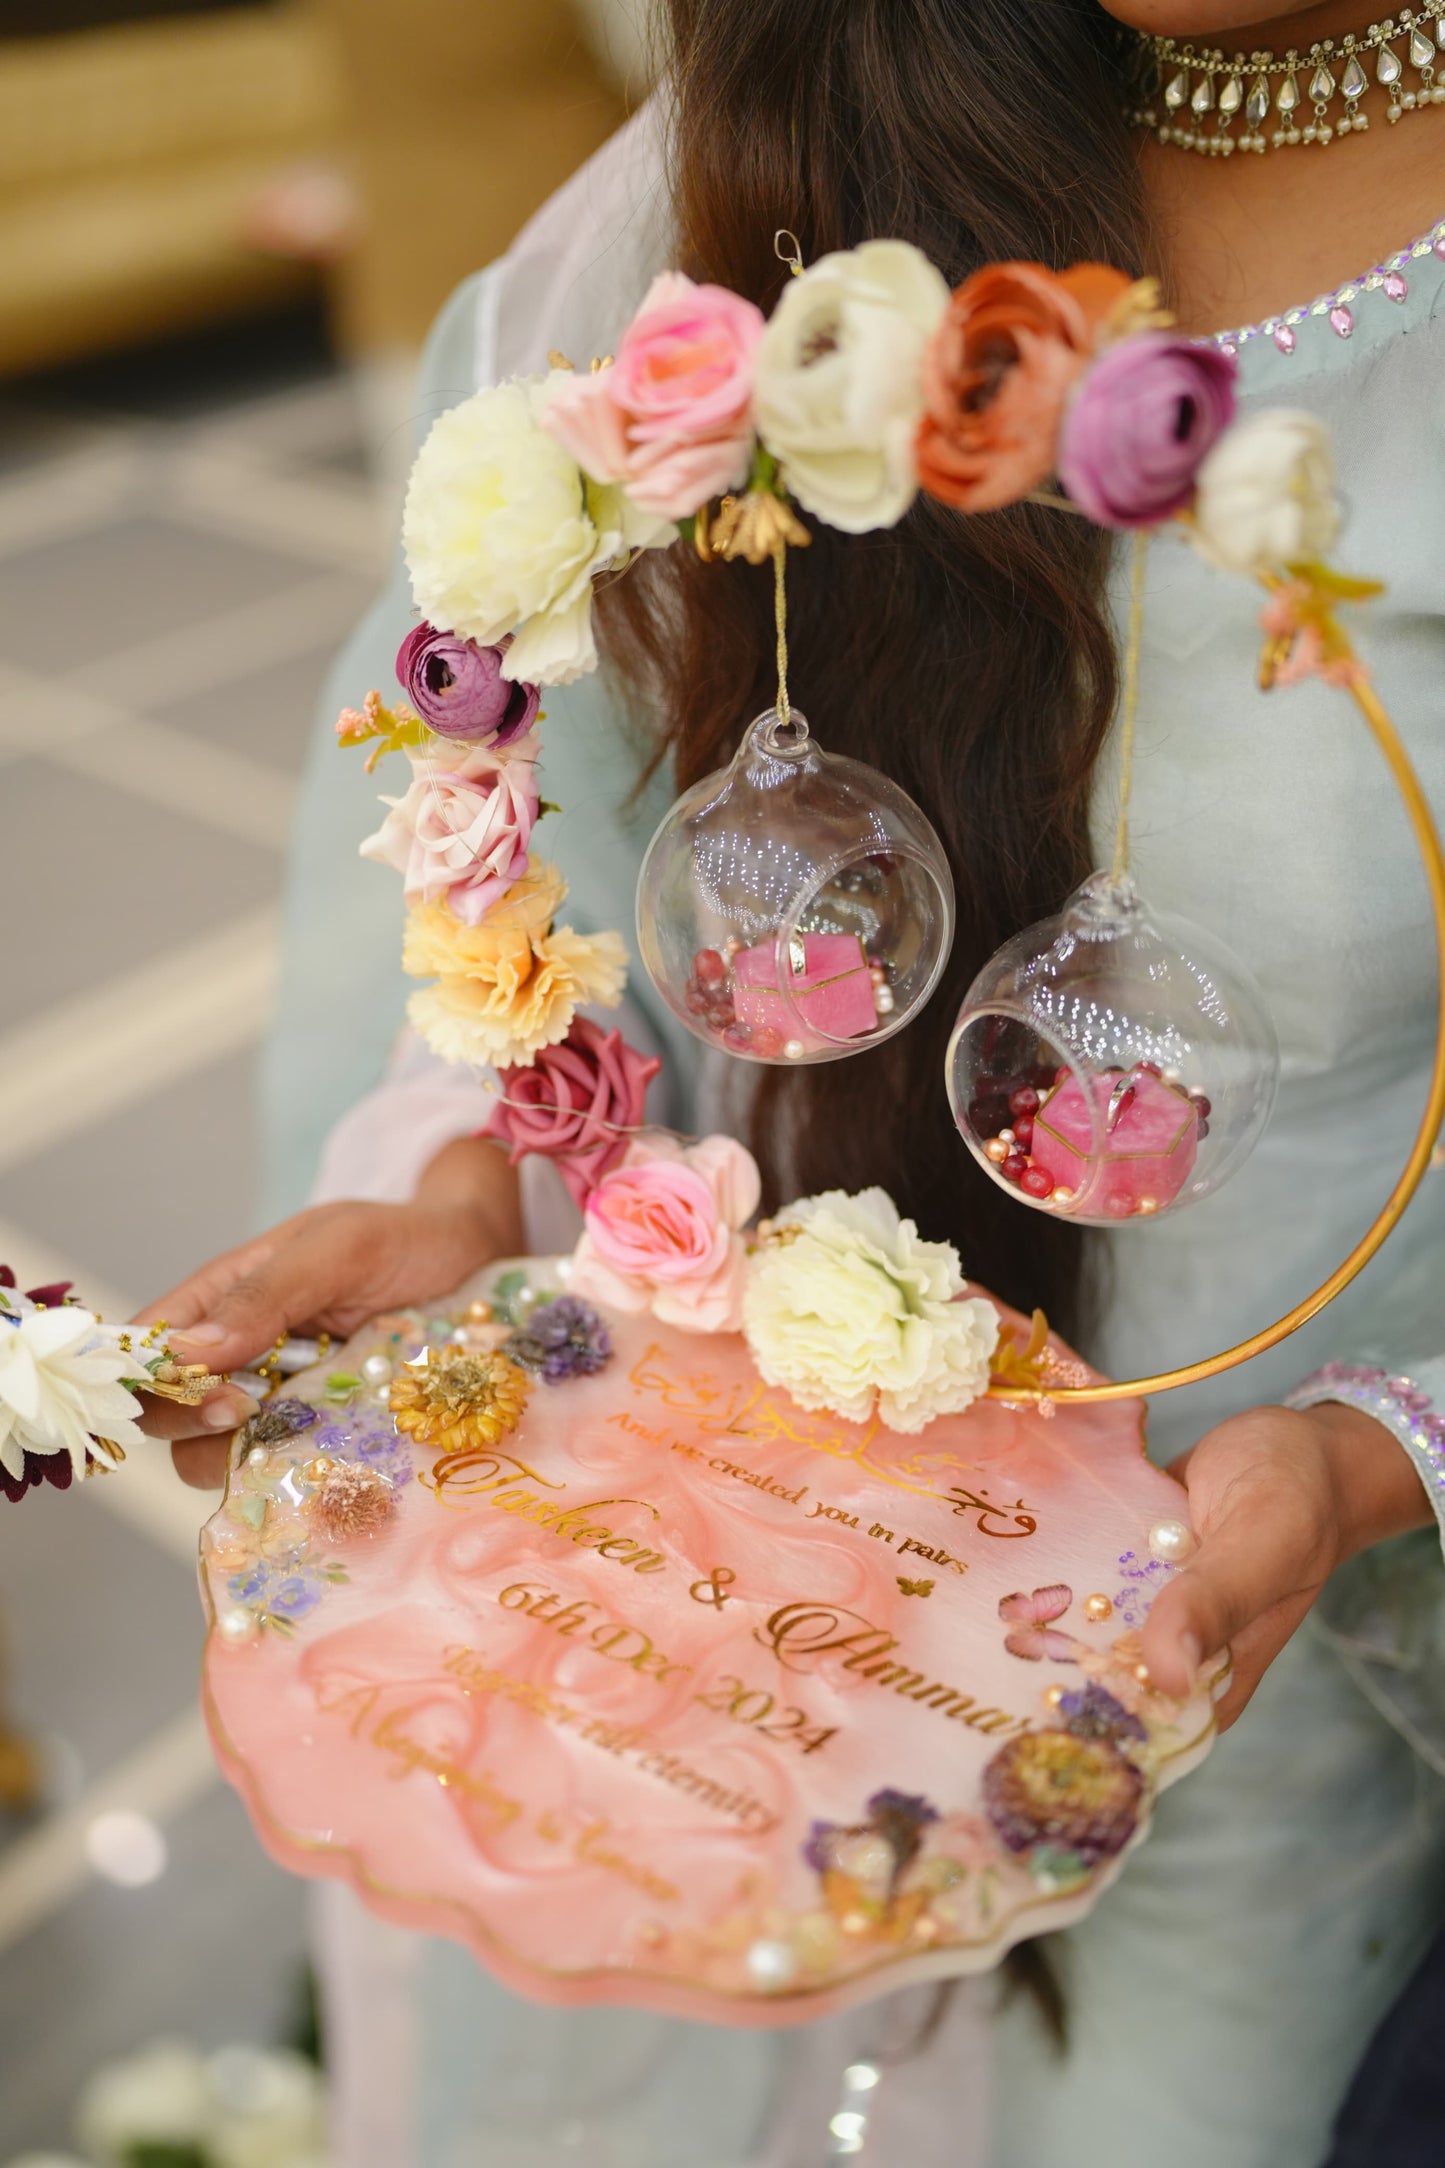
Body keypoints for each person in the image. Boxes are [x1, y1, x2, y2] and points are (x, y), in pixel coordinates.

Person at [139, 3, 1445, 2161]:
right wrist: (485, 1181)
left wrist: (1370, 1460)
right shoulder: (798, 124)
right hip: (680, 1617)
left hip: (1251, 1714)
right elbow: (544, 805)